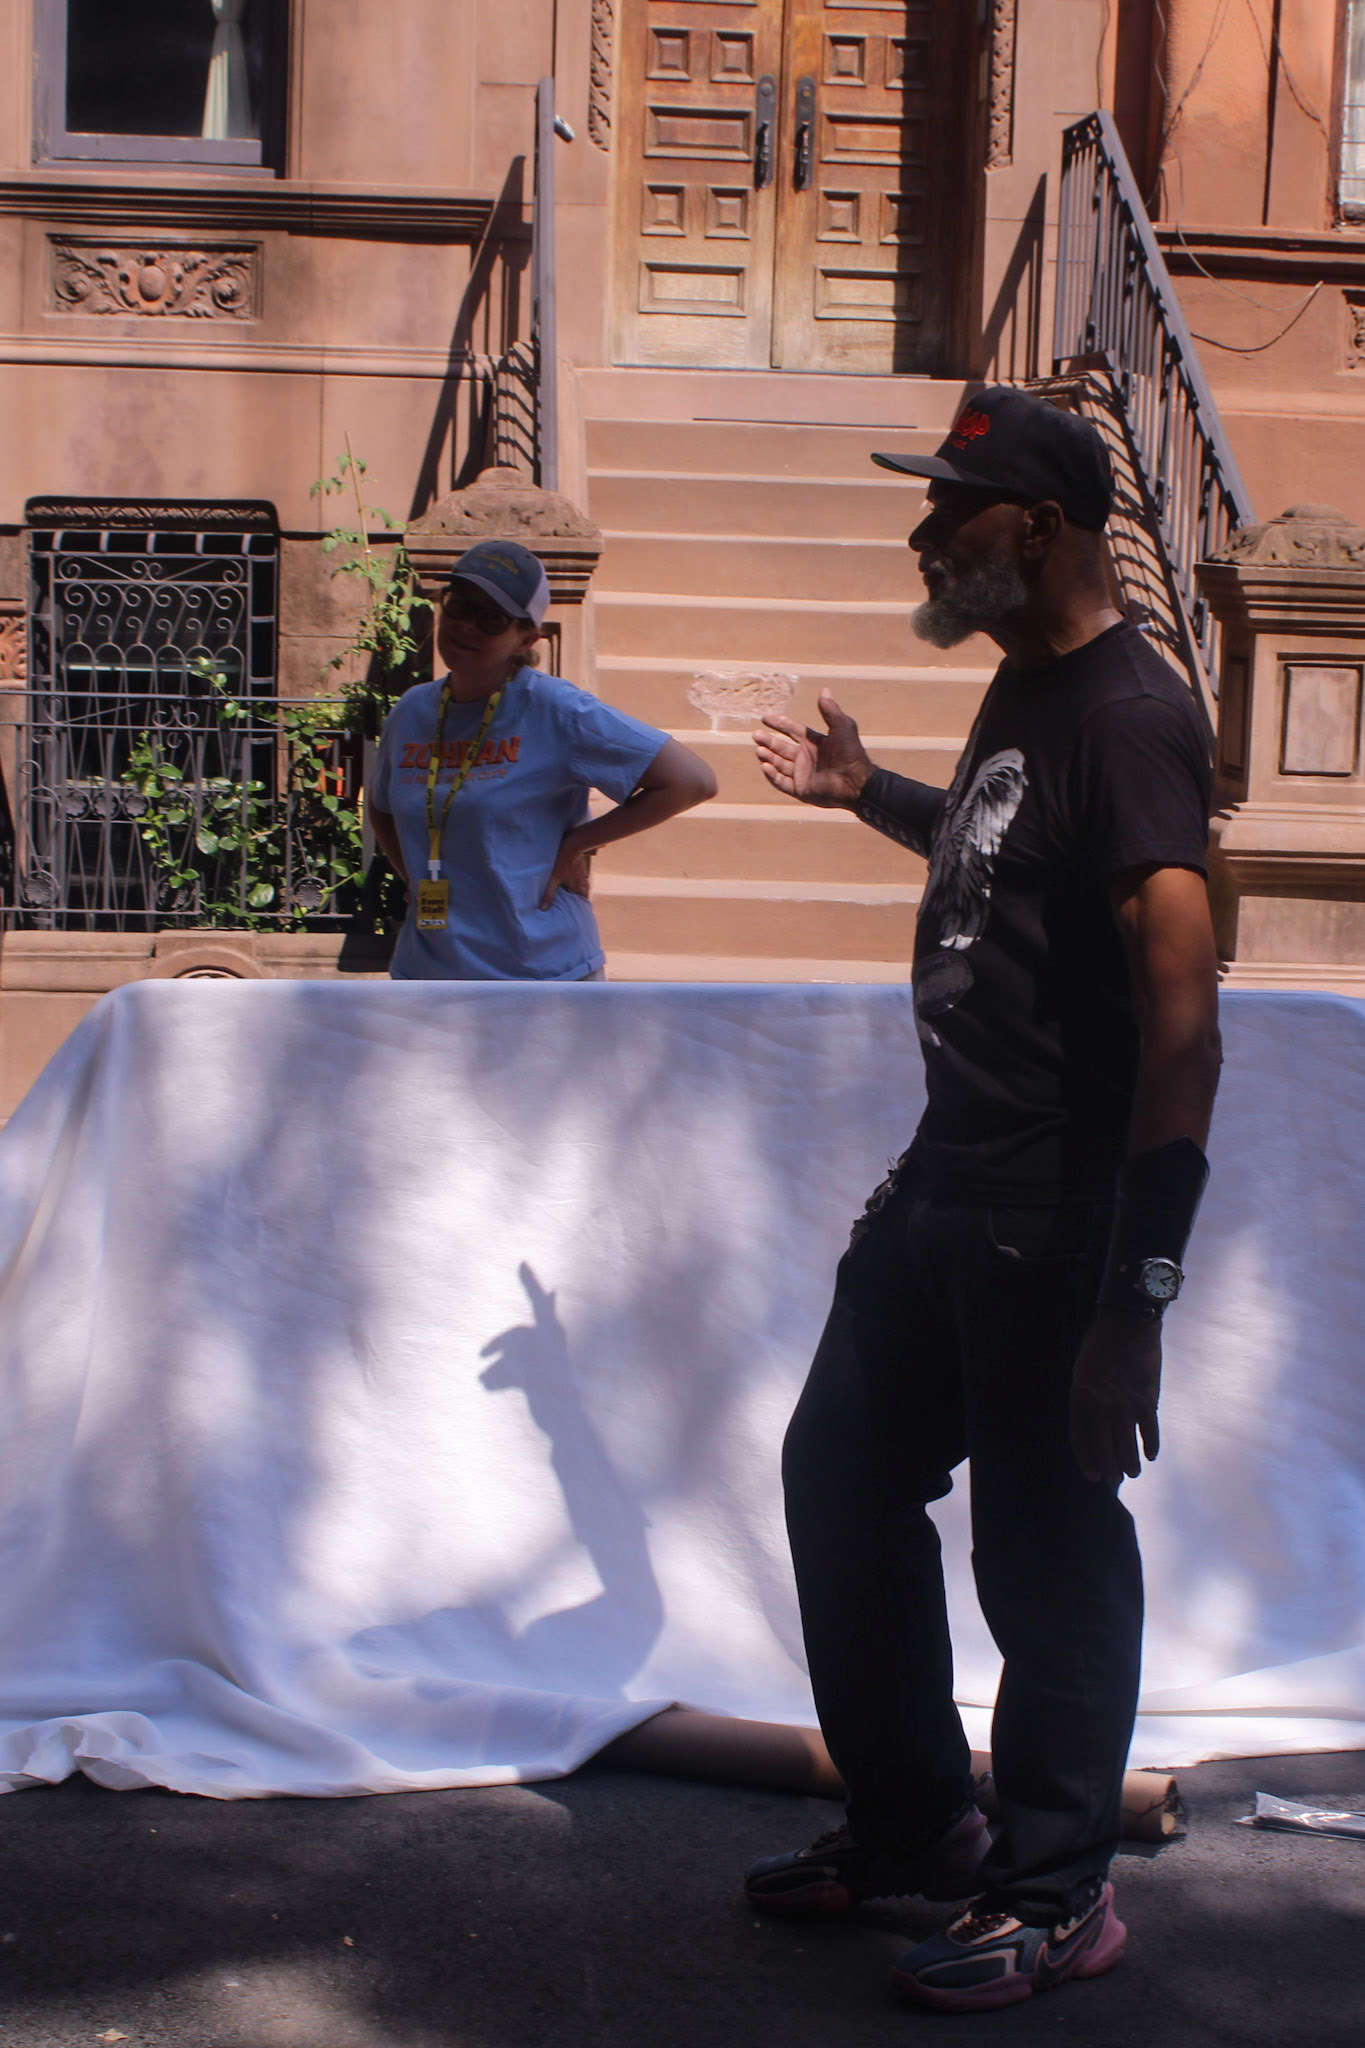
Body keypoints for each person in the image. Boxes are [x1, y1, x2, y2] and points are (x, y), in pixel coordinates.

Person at [745, 388, 1222, 2012]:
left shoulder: (1133, 716)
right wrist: (870, 792)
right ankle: (916, 1825)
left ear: (1042, 525)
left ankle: (1057, 1888)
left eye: (954, 508)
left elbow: (1183, 1030)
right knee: (839, 1474)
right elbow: (1004, 855)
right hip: (947, 1175)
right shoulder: (1029, 682)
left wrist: (1135, 1303)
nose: (923, 533)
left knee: (1046, 1547)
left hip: (1054, 1210)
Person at [367, 538, 716, 980]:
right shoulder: (411, 712)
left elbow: (692, 780)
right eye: (458, 605)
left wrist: (575, 844)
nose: (466, 625)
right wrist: (414, 877)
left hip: (543, 975)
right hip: (429, 974)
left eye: (491, 618)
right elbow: (381, 806)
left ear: (526, 638)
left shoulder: (557, 710)